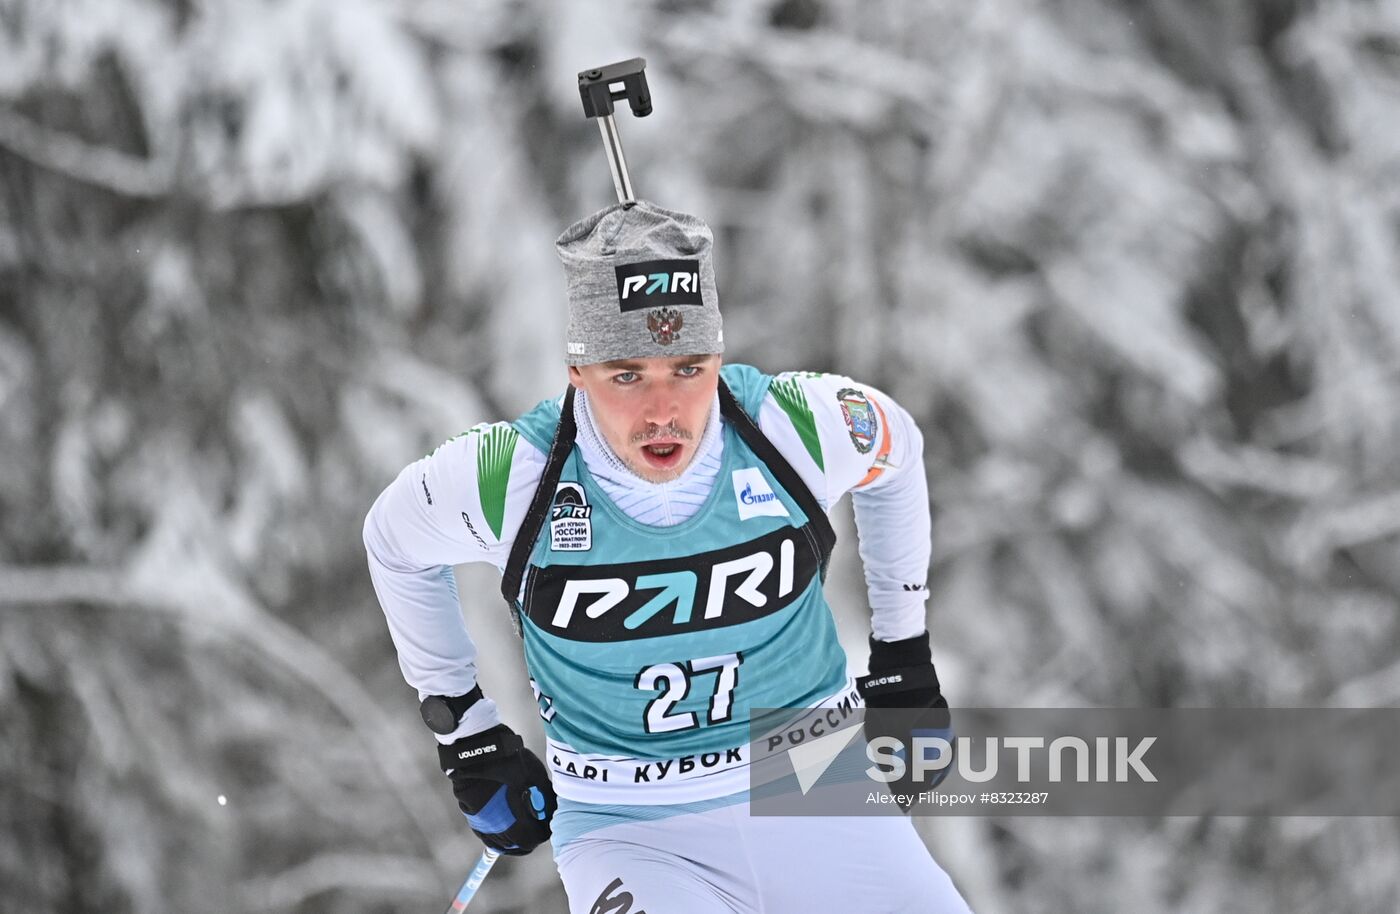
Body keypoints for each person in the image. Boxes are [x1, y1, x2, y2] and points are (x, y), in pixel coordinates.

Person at [363, 200, 972, 913]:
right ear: (577, 373)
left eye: (688, 369)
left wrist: (904, 654)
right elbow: (392, 541)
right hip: (630, 828)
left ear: (718, 358)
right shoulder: (515, 473)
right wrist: (464, 730)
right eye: (628, 375)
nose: (663, 410)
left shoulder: (790, 426)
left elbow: (896, 451)